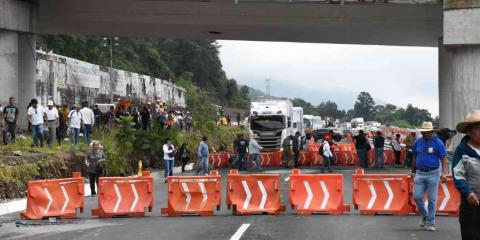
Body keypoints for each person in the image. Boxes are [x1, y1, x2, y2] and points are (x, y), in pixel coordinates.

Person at [412, 121, 448, 231]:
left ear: (432, 132)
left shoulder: (438, 143)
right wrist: (412, 170)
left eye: (427, 132)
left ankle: (430, 223)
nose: (425, 134)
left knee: (432, 200)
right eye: (423, 132)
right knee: (417, 196)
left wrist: (444, 173)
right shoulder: (418, 142)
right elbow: (414, 156)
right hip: (420, 173)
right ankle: (425, 215)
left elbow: (444, 159)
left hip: (433, 174)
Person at [452, 110, 480, 239]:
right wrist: (468, 192)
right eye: (477, 128)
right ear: (469, 131)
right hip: (471, 204)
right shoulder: (462, 151)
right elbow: (458, 175)